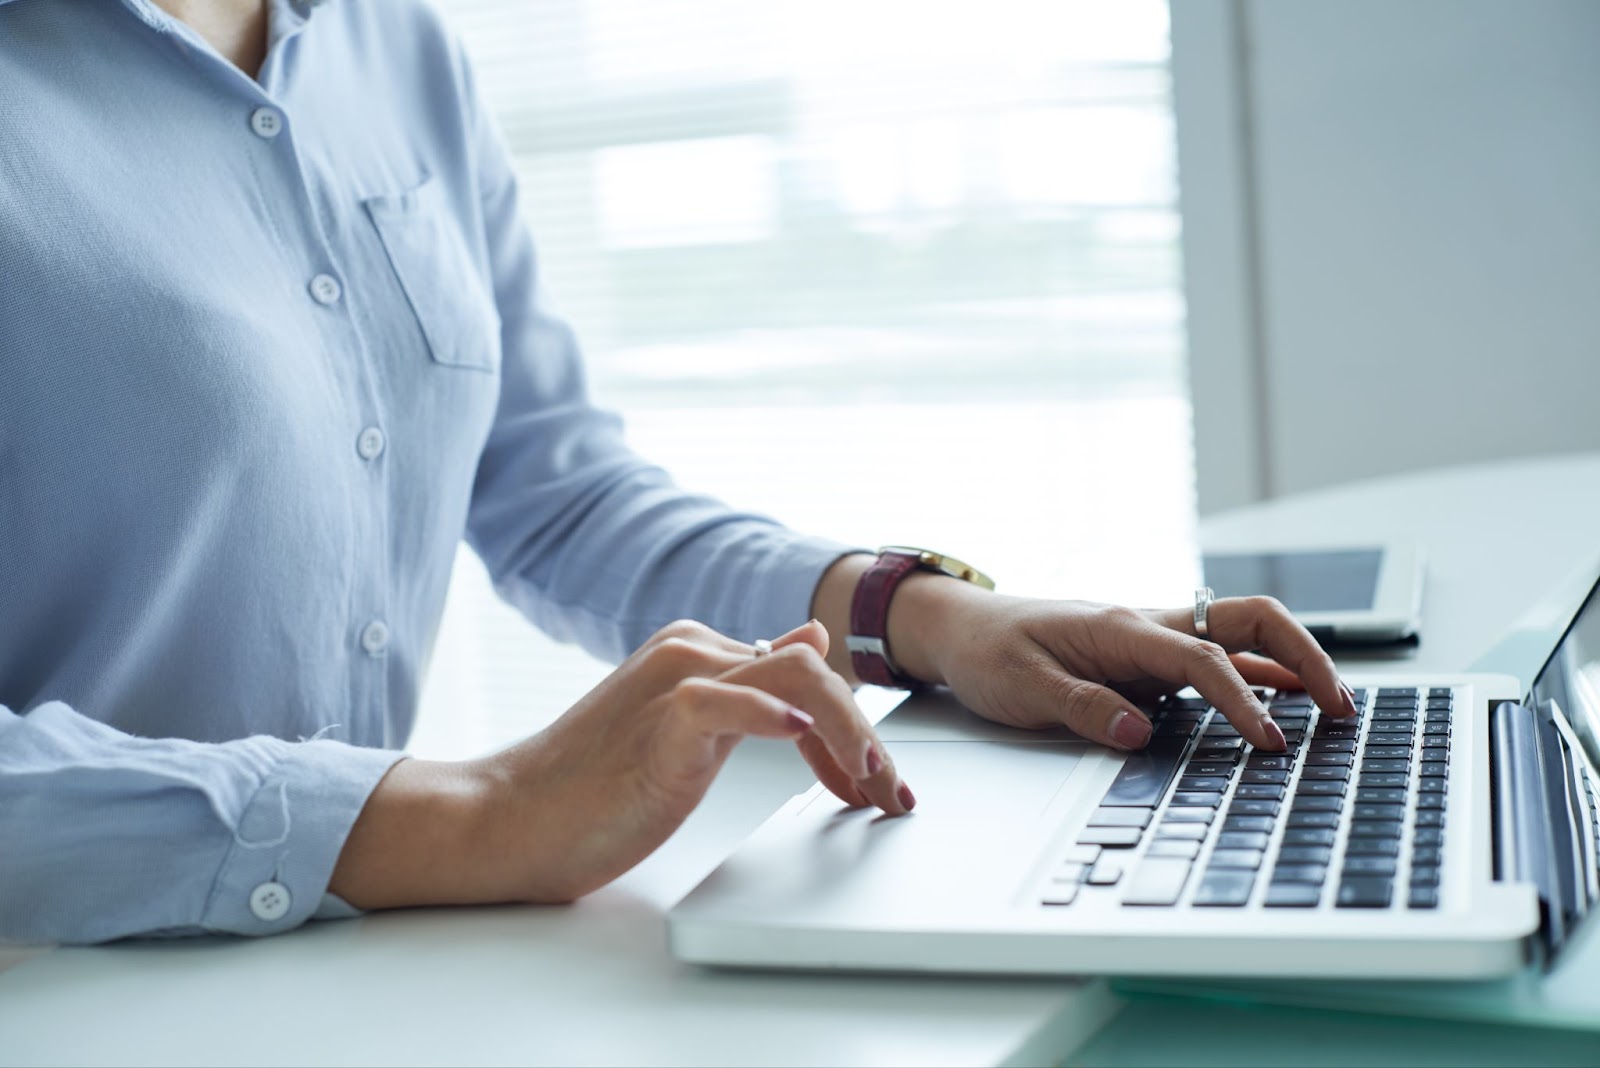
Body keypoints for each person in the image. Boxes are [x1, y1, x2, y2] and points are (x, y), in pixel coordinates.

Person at [0, 0, 1353, 945]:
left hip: (353, 962)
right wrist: (486, 813)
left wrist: (926, 614)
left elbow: (553, 488)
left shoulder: (398, 47)